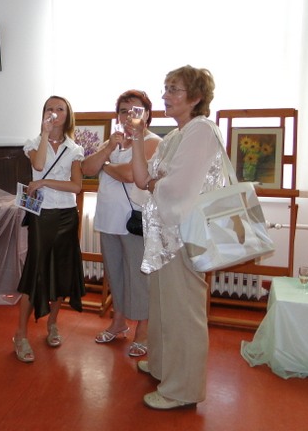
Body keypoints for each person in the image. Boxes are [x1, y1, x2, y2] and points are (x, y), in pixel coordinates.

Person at [127, 65, 221, 410]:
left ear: (195, 97)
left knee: (183, 313)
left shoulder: (202, 130)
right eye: (165, 88)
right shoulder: (173, 137)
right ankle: (163, 365)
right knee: (164, 307)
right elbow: (142, 179)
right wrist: (137, 138)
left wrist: (157, 183)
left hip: (183, 236)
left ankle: (182, 389)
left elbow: (178, 188)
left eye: (174, 89)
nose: (165, 95)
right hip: (164, 236)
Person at [81, 90, 161, 357]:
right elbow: (86, 169)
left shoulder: (152, 142)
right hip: (108, 218)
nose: (129, 116)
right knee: (115, 274)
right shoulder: (112, 142)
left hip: (134, 222)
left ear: (147, 115)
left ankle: (143, 331)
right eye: (124, 111)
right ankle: (118, 322)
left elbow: (129, 175)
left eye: (135, 111)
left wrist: (105, 165)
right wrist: (107, 151)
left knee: (139, 278)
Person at [13, 95, 86, 363]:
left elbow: (76, 186)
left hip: (67, 215)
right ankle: (20, 335)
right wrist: (45, 134)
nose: (54, 113)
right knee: (35, 272)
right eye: (49, 109)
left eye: (60, 109)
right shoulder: (34, 143)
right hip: (41, 215)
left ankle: (53, 324)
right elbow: (39, 165)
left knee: (62, 271)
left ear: (68, 115)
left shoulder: (74, 149)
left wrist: (44, 183)